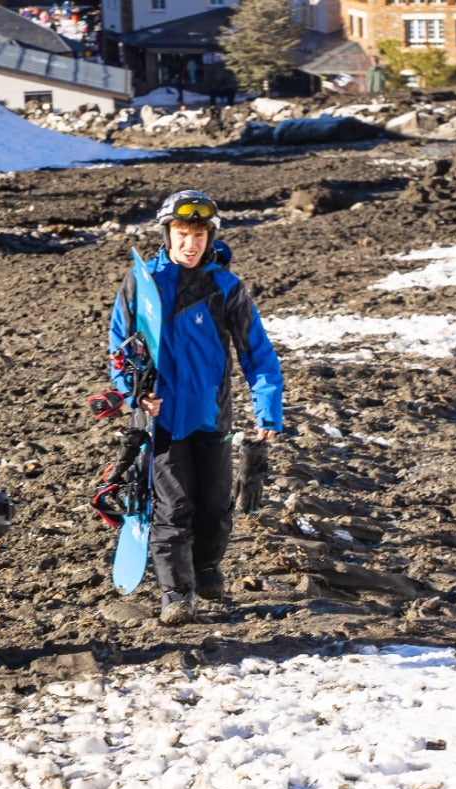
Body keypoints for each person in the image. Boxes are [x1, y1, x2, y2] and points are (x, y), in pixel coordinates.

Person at [107, 190, 283, 626]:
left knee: (216, 505)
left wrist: (268, 409)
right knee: (173, 506)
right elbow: (118, 352)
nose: (191, 243)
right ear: (168, 234)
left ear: (210, 236)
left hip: (212, 414)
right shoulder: (142, 283)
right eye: (183, 234)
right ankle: (176, 593)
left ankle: (206, 570)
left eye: (200, 234)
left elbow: (257, 353)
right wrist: (135, 396)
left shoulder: (226, 287)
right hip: (161, 419)